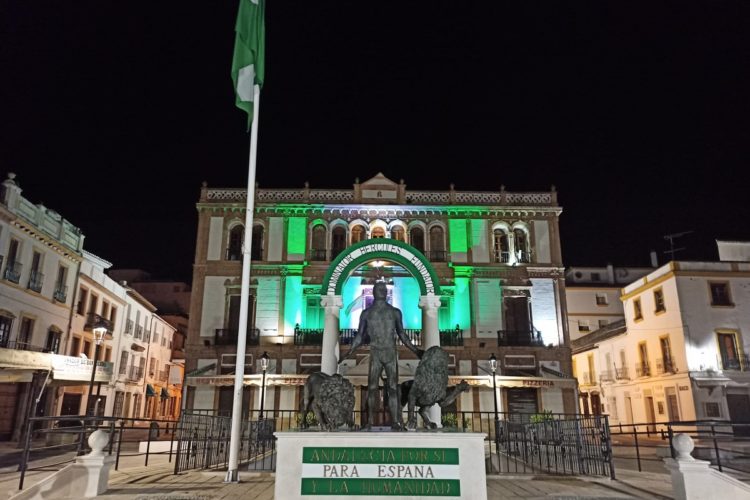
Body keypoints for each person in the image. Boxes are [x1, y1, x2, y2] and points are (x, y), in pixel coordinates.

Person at [339, 282, 423, 430]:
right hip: (376, 351)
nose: (382, 291)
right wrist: (348, 352)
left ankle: (395, 421)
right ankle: (370, 422)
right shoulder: (366, 313)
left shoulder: (395, 312)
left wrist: (415, 350)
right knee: (372, 388)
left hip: (390, 351)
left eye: (384, 289)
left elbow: (402, 335)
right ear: (373, 292)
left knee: (392, 388)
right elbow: (359, 336)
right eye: (380, 289)